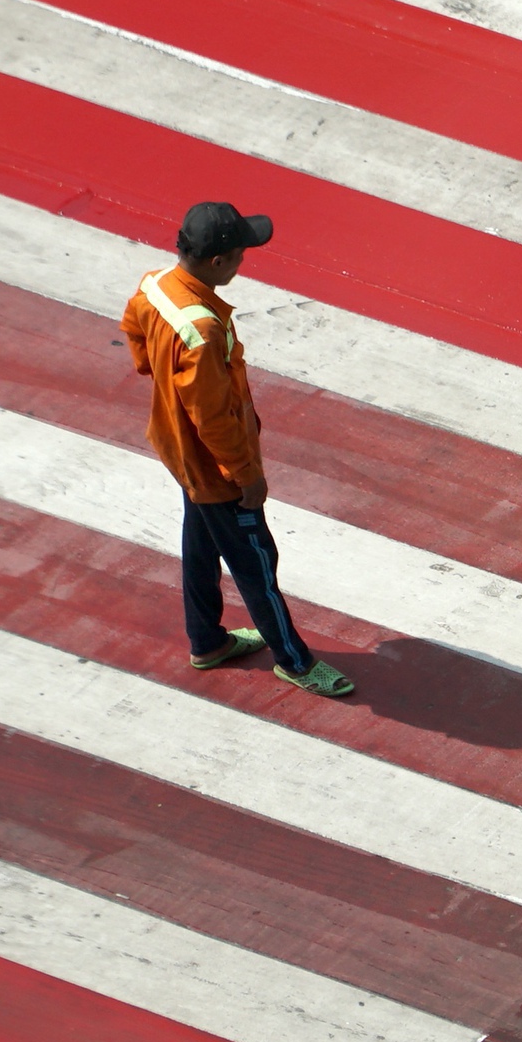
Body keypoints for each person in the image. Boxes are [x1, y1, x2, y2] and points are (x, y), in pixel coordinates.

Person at [121, 200, 353, 697]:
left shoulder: (155, 284)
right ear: (217, 262)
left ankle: (207, 643)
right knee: (256, 564)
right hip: (216, 468)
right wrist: (247, 475)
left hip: (179, 453)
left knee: (200, 549)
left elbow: (135, 335)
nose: (246, 260)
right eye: (242, 252)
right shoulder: (202, 329)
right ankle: (294, 660)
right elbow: (212, 419)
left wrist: (157, 371)